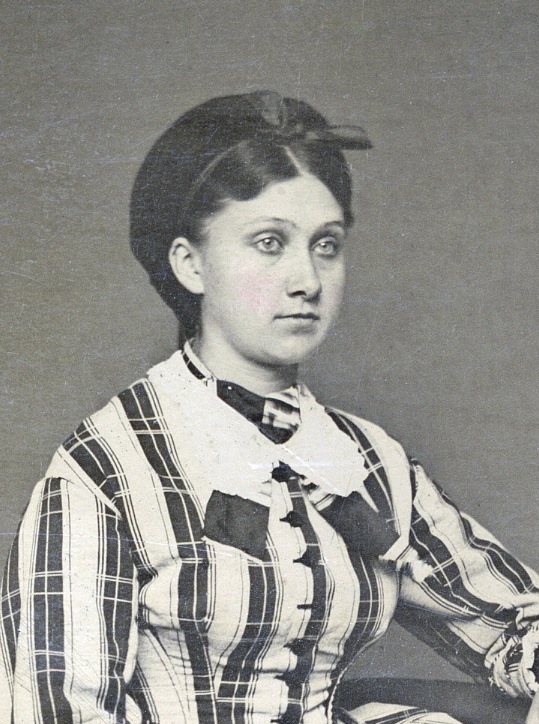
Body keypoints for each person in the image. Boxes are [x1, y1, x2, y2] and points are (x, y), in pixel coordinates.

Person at [0, 91, 537, 724]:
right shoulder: (106, 470)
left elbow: (513, 618)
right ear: (190, 263)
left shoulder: (363, 461)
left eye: (326, 244)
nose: (306, 280)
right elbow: (56, 711)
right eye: (268, 243)